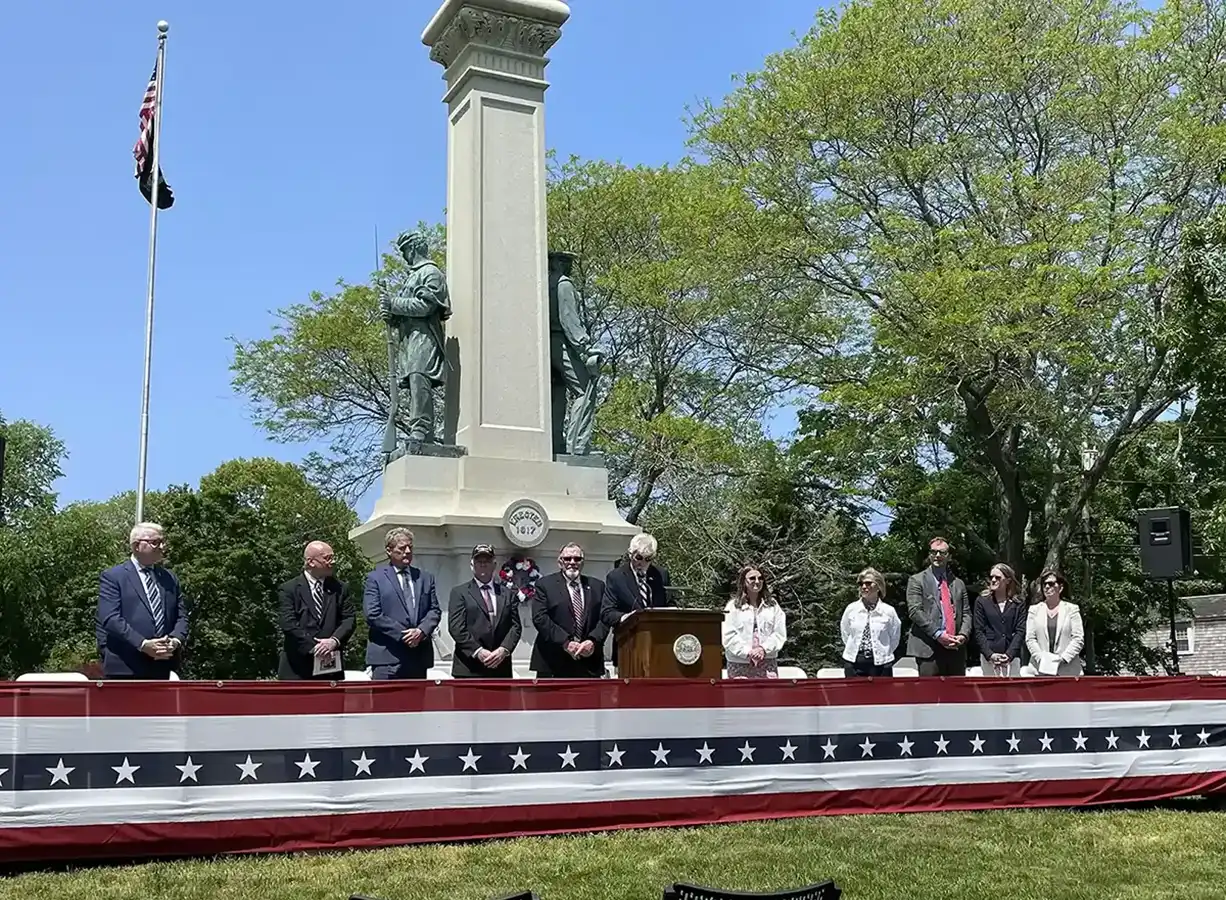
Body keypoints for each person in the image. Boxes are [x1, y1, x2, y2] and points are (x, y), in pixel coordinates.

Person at [97, 522, 189, 680]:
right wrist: (143, 644)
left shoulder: (169, 578)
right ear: (136, 545)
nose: (162, 546)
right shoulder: (113, 577)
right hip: (125, 668)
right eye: (155, 542)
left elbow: (182, 616)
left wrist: (174, 641)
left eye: (162, 541)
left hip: (162, 667)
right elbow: (110, 618)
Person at [362, 527, 441, 680]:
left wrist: (420, 631)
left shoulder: (425, 578)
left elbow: (434, 610)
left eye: (410, 547)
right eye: (402, 548)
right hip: (387, 658)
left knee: (417, 703)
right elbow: (372, 614)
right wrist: (404, 635)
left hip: (418, 658)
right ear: (389, 551)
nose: (407, 552)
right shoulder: (375, 578)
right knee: (385, 704)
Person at [277, 541, 355, 680]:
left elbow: (349, 619)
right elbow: (288, 623)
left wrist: (333, 642)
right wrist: (316, 648)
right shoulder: (289, 589)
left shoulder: (341, 588)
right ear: (310, 562)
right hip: (296, 670)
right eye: (327, 558)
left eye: (333, 557)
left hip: (330, 669)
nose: (333, 561)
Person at [530, 543, 608, 678]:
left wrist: (593, 641)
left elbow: (605, 618)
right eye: (567, 559)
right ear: (560, 562)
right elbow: (540, 618)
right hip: (553, 662)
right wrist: (565, 642)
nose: (572, 562)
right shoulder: (545, 585)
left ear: (583, 562)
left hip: (589, 662)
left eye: (577, 559)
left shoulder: (597, 586)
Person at [448, 543, 522, 678]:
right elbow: (456, 628)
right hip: (469, 668)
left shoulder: (508, 594)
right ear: (472, 565)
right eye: (478, 561)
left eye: (487, 561)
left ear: (494, 564)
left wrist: (503, 650)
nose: (483, 564)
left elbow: (515, 627)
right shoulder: (460, 593)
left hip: (500, 667)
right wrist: (478, 651)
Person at [600, 533, 671, 667]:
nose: (642, 563)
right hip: (627, 645)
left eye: (648, 559)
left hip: (658, 646)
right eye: (638, 557)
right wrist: (626, 617)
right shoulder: (616, 577)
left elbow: (670, 603)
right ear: (630, 554)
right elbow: (606, 612)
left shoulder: (661, 575)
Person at [905, 536, 971, 676]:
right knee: (929, 696)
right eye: (934, 552)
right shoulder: (916, 580)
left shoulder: (958, 583)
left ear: (949, 556)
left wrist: (963, 635)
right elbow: (915, 611)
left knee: (957, 696)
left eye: (942, 552)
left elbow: (966, 613)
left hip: (955, 649)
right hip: (928, 648)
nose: (938, 556)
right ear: (929, 554)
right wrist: (938, 634)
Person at [722, 565, 786, 679]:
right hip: (739, 664)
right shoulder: (733, 607)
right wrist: (748, 652)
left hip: (767, 663)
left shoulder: (773, 606)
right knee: (740, 697)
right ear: (744, 582)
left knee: (768, 696)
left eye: (760, 578)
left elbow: (779, 633)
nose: (757, 581)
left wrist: (763, 649)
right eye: (752, 578)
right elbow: (728, 635)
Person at [839, 568, 901, 677]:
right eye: (861, 584)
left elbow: (894, 638)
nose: (863, 587)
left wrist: (882, 652)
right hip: (854, 662)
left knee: (882, 694)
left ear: (878, 586)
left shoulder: (888, 611)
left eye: (868, 583)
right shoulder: (851, 609)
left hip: (882, 664)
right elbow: (845, 633)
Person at [1025, 568, 1085, 676]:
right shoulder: (1034, 610)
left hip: (1067, 670)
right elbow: (1030, 639)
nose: (1047, 587)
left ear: (1060, 587)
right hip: (1039, 670)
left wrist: (1063, 659)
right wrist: (1042, 659)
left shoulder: (1072, 609)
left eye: (1051, 584)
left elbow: (1078, 638)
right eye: (1044, 584)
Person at [972, 563, 1027, 677]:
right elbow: (979, 631)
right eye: (991, 577)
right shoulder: (982, 601)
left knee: (1012, 693)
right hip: (989, 659)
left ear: (1007, 580)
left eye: (997, 577)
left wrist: (1009, 655)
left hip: (1012, 659)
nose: (993, 580)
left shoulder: (1018, 603)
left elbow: (1020, 631)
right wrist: (990, 654)